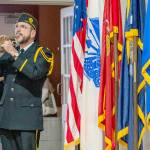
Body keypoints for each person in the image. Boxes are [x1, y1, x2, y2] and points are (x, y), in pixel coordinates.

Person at [0, 13, 54, 150]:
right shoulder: (10, 53)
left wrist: (14, 53)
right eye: (16, 26)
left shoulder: (42, 53)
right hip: (6, 117)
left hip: (27, 120)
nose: (18, 29)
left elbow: (35, 73)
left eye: (23, 27)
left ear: (33, 33)